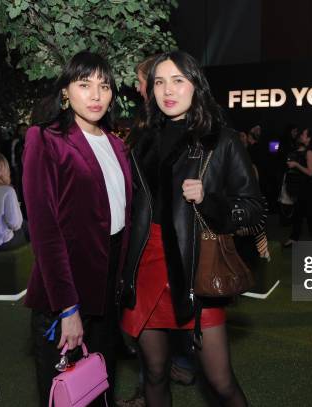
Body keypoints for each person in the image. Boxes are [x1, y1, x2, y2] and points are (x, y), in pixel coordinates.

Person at [120, 50, 263, 407]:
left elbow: (253, 211)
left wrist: (209, 199)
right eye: (159, 82)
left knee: (220, 381)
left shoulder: (223, 140)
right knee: (153, 372)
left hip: (196, 268)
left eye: (178, 80)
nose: (168, 90)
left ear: (196, 86)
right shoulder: (141, 141)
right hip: (148, 264)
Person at [23, 51, 132, 406]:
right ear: (66, 92)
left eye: (104, 85)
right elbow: (45, 230)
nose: (96, 95)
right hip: (67, 292)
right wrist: (67, 308)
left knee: (100, 387)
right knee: (68, 395)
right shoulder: (46, 138)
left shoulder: (116, 143)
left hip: (107, 292)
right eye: (85, 85)